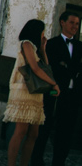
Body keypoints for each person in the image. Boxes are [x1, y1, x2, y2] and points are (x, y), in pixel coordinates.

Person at [4, 19, 60, 166]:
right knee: (21, 131)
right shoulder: (26, 44)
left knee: (33, 134)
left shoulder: (34, 47)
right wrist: (53, 83)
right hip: (24, 91)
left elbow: (45, 66)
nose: (43, 34)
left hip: (34, 92)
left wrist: (43, 48)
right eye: (42, 31)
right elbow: (35, 68)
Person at [31, 11, 81, 166]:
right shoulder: (51, 44)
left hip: (72, 95)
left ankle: (59, 162)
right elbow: (49, 68)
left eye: (77, 24)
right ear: (62, 22)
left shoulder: (80, 46)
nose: (75, 26)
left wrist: (65, 66)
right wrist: (69, 68)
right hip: (53, 92)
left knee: (66, 131)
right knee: (44, 127)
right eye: (72, 22)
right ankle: (37, 160)